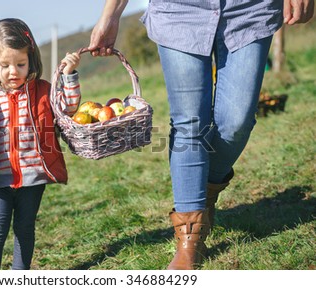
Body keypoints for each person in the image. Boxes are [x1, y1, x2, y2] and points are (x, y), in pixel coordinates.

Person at [88, 0, 314, 270]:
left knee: (237, 121)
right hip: (179, 10)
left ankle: (203, 191)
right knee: (189, 124)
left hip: (250, 8)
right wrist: (110, 15)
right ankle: (190, 240)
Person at [0, 18, 81, 270]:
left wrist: (69, 76)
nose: (13, 71)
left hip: (32, 178)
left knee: (25, 229)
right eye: (5, 65)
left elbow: (68, 109)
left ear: (31, 60)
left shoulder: (43, 92)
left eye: (20, 64)